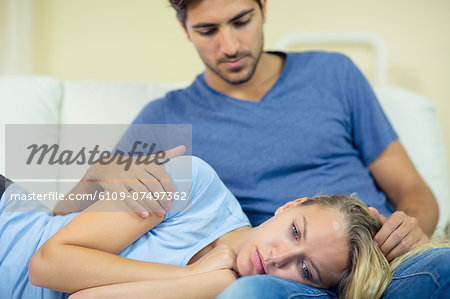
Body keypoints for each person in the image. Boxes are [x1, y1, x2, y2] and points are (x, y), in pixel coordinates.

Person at [61, 0, 445, 297]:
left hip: (386, 264)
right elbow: (59, 218)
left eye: (241, 21)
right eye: (207, 30)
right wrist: (99, 170)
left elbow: (412, 189)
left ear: (263, 7)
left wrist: (409, 227)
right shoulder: (165, 116)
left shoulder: (334, 74)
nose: (229, 46)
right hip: (286, 279)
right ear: (184, 29)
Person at [1, 159, 447, 299]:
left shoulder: (229, 290)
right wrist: (187, 275)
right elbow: (47, 262)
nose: (276, 258)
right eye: (295, 231)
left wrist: (207, 281)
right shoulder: (193, 183)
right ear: (291, 204)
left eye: (305, 269)